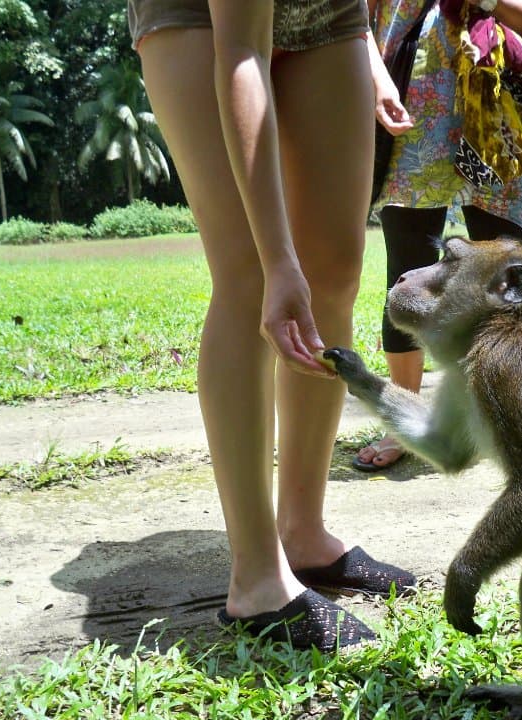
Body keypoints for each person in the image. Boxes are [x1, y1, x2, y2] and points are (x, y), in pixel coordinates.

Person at [126, 0, 415, 653]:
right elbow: (242, 54)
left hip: (329, 12)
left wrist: (369, 54)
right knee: (251, 273)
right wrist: (279, 260)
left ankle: (303, 534)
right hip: (203, 17)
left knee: (336, 269)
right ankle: (257, 579)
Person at [357, 0, 522, 471]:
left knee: (509, 279)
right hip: (411, 109)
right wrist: (372, 80)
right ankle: (401, 422)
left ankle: (515, 415)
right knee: (406, 272)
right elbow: (354, 20)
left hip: (492, 114)